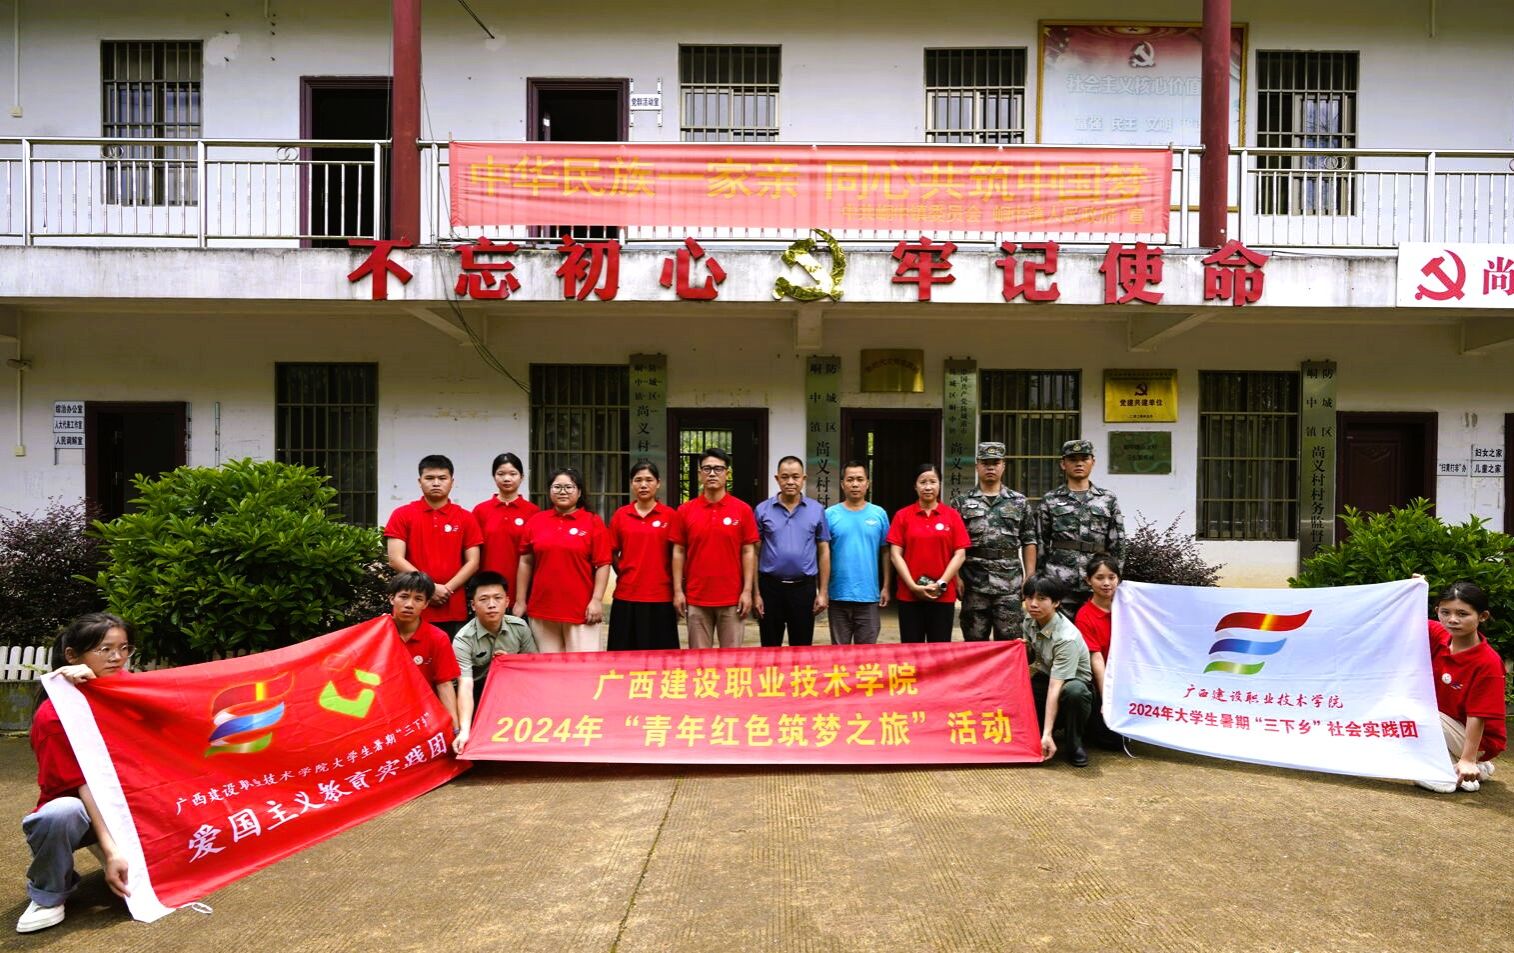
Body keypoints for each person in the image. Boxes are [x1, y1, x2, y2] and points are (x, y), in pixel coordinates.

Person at [18, 613, 133, 934]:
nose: (117, 657)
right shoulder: (54, 716)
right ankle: (49, 893)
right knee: (60, 814)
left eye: (124, 648)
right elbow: (85, 785)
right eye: (104, 649)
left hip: (130, 800)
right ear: (72, 655)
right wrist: (111, 851)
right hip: (85, 811)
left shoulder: (121, 690)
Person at [1416, 581, 1506, 794]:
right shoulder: (1439, 635)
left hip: (1479, 739)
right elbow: (1408, 618)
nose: (1452, 620)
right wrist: (1412, 590)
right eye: (1445, 612)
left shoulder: (1488, 662)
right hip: (1450, 725)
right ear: (1437, 610)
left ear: (1482, 616)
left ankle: (1455, 769)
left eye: (1462, 614)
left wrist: (1468, 758)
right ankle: (1473, 767)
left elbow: (1478, 716)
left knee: (1410, 711)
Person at [512, 467, 612, 653]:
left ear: (579, 492)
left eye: (569, 487)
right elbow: (525, 562)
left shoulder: (592, 521)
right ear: (549, 490)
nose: (562, 491)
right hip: (542, 609)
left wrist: (597, 600)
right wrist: (520, 600)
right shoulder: (536, 521)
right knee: (546, 666)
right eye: (557, 487)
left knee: (582, 666)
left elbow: (603, 564)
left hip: (581, 611)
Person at [385, 454, 483, 636]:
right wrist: (429, 588)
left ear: (452, 482)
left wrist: (446, 589)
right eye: (429, 478)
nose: (436, 483)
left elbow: (473, 562)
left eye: (442, 478)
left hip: (452, 605)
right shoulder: (402, 514)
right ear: (419, 481)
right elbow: (395, 558)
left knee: (449, 652)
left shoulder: (466, 517)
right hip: (412, 606)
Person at [671, 448, 758, 649]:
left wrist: (747, 591)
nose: (712, 473)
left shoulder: (742, 510)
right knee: (699, 660)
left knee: (732, 661)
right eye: (707, 469)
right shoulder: (685, 511)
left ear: (727, 473)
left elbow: (748, 551)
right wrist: (678, 591)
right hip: (696, 597)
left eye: (718, 469)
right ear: (699, 473)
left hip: (732, 598)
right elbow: (678, 552)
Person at [951, 441, 1036, 642]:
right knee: (974, 643)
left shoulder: (1019, 502)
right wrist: (956, 578)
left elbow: (1029, 540)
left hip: (1009, 583)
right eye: (985, 463)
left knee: (1010, 642)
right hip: (973, 583)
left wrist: (1030, 576)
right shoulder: (961, 502)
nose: (990, 467)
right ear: (977, 466)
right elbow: (953, 544)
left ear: (1003, 466)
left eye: (995, 463)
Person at [1035, 439, 1125, 617]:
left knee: (1094, 629)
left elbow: (1118, 542)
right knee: (1060, 630)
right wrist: (1040, 578)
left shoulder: (1107, 499)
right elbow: (1040, 541)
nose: (1079, 463)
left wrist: (1115, 579)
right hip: (1059, 580)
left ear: (1093, 462)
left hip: (1096, 582)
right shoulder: (1050, 499)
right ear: (1063, 464)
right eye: (1073, 459)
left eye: (1084, 459)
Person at [451, 571, 536, 753]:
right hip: (477, 690)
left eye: (498, 598)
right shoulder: (463, 639)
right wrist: (465, 730)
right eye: (484, 599)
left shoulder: (520, 627)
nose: (491, 605)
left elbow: (533, 669)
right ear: (473, 605)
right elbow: (465, 685)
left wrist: (511, 663)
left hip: (512, 688)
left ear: (507, 601)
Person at [887, 463, 970, 644]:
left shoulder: (952, 515)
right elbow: (895, 554)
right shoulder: (902, 516)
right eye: (922, 482)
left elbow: (960, 554)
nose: (928, 487)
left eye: (933, 482)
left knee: (939, 650)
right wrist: (912, 586)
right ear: (915, 486)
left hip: (942, 596)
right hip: (909, 595)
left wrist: (941, 584)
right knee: (911, 649)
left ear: (940, 484)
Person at [754, 456, 831, 647]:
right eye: (785, 477)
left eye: (795, 477)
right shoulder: (762, 510)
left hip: (803, 589)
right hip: (770, 588)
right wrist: (756, 593)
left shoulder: (816, 510)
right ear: (777, 478)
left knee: (802, 648)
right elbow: (754, 553)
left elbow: (823, 551)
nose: (790, 482)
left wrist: (823, 592)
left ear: (803, 479)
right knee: (770, 648)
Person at [1022, 573, 1095, 767]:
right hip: (1046, 676)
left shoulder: (1066, 638)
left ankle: (1074, 743)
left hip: (1072, 683)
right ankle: (1041, 731)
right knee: (1017, 686)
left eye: (1041, 598)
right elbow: (1034, 659)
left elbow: (1056, 687)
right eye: (1029, 597)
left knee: (1074, 692)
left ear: (1056, 603)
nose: (1033, 604)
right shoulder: (1029, 620)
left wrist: (1046, 733)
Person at [607, 461, 682, 651]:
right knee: (624, 655)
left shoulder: (670, 515)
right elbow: (611, 551)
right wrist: (624, 571)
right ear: (631, 483)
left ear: (658, 483)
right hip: (627, 595)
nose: (643, 485)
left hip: (661, 596)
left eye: (649, 480)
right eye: (638, 480)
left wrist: (678, 589)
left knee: (662, 657)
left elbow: (678, 554)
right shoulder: (621, 515)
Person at [384, 572, 461, 732]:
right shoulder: (377, 634)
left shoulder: (438, 638)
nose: (409, 604)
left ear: (426, 604)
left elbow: (444, 684)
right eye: (404, 597)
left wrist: (455, 728)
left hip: (423, 716)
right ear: (391, 598)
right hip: (384, 715)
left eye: (418, 599)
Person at [825, 461, 892, 645]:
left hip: (868, 595)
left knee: (867, 655)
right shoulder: (830, 514)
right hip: (838, 595)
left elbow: (886, 552)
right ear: (842, 484)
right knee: (840, 654)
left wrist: (886, 586)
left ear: (867, 483)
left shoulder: (879, 514)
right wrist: (822, 590)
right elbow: (823, 554)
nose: (855, 484)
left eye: (860, 479)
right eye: (850, 479)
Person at [471, 453, 540, 606]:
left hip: (522, 591)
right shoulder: (480, 511)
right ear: (494, 477)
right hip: (487, 589)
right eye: (501, 474)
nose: (507, 479)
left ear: (522, 477)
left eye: (513, 474)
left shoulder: (533, 512)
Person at [1073, 554, 1125, 750]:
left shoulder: (1128, 608)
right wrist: (1108, 700)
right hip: (1101, 682)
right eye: (1099, 578)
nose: (1106, 583)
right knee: (1112, 741)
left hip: (1127, 678)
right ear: (1088, 580)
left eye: (1112, 577)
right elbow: (1096, 660)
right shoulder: (1084, 616)